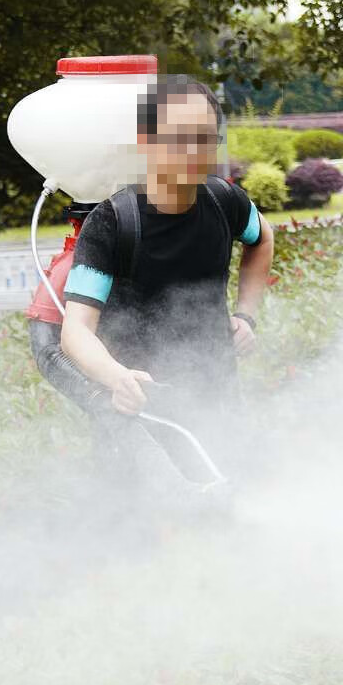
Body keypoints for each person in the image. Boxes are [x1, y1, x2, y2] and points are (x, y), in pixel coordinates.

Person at [56, 74, 274, 488]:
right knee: (152, 529)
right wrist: (116, 376)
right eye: (180, 138)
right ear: (147, 142)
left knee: (234, 507)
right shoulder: (113, 222)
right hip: (139, 410)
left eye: (206, 138)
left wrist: (247, 316)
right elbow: (75, 331)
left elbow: (263, 238)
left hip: (218, 399)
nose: (195, 151)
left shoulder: (224, 201)